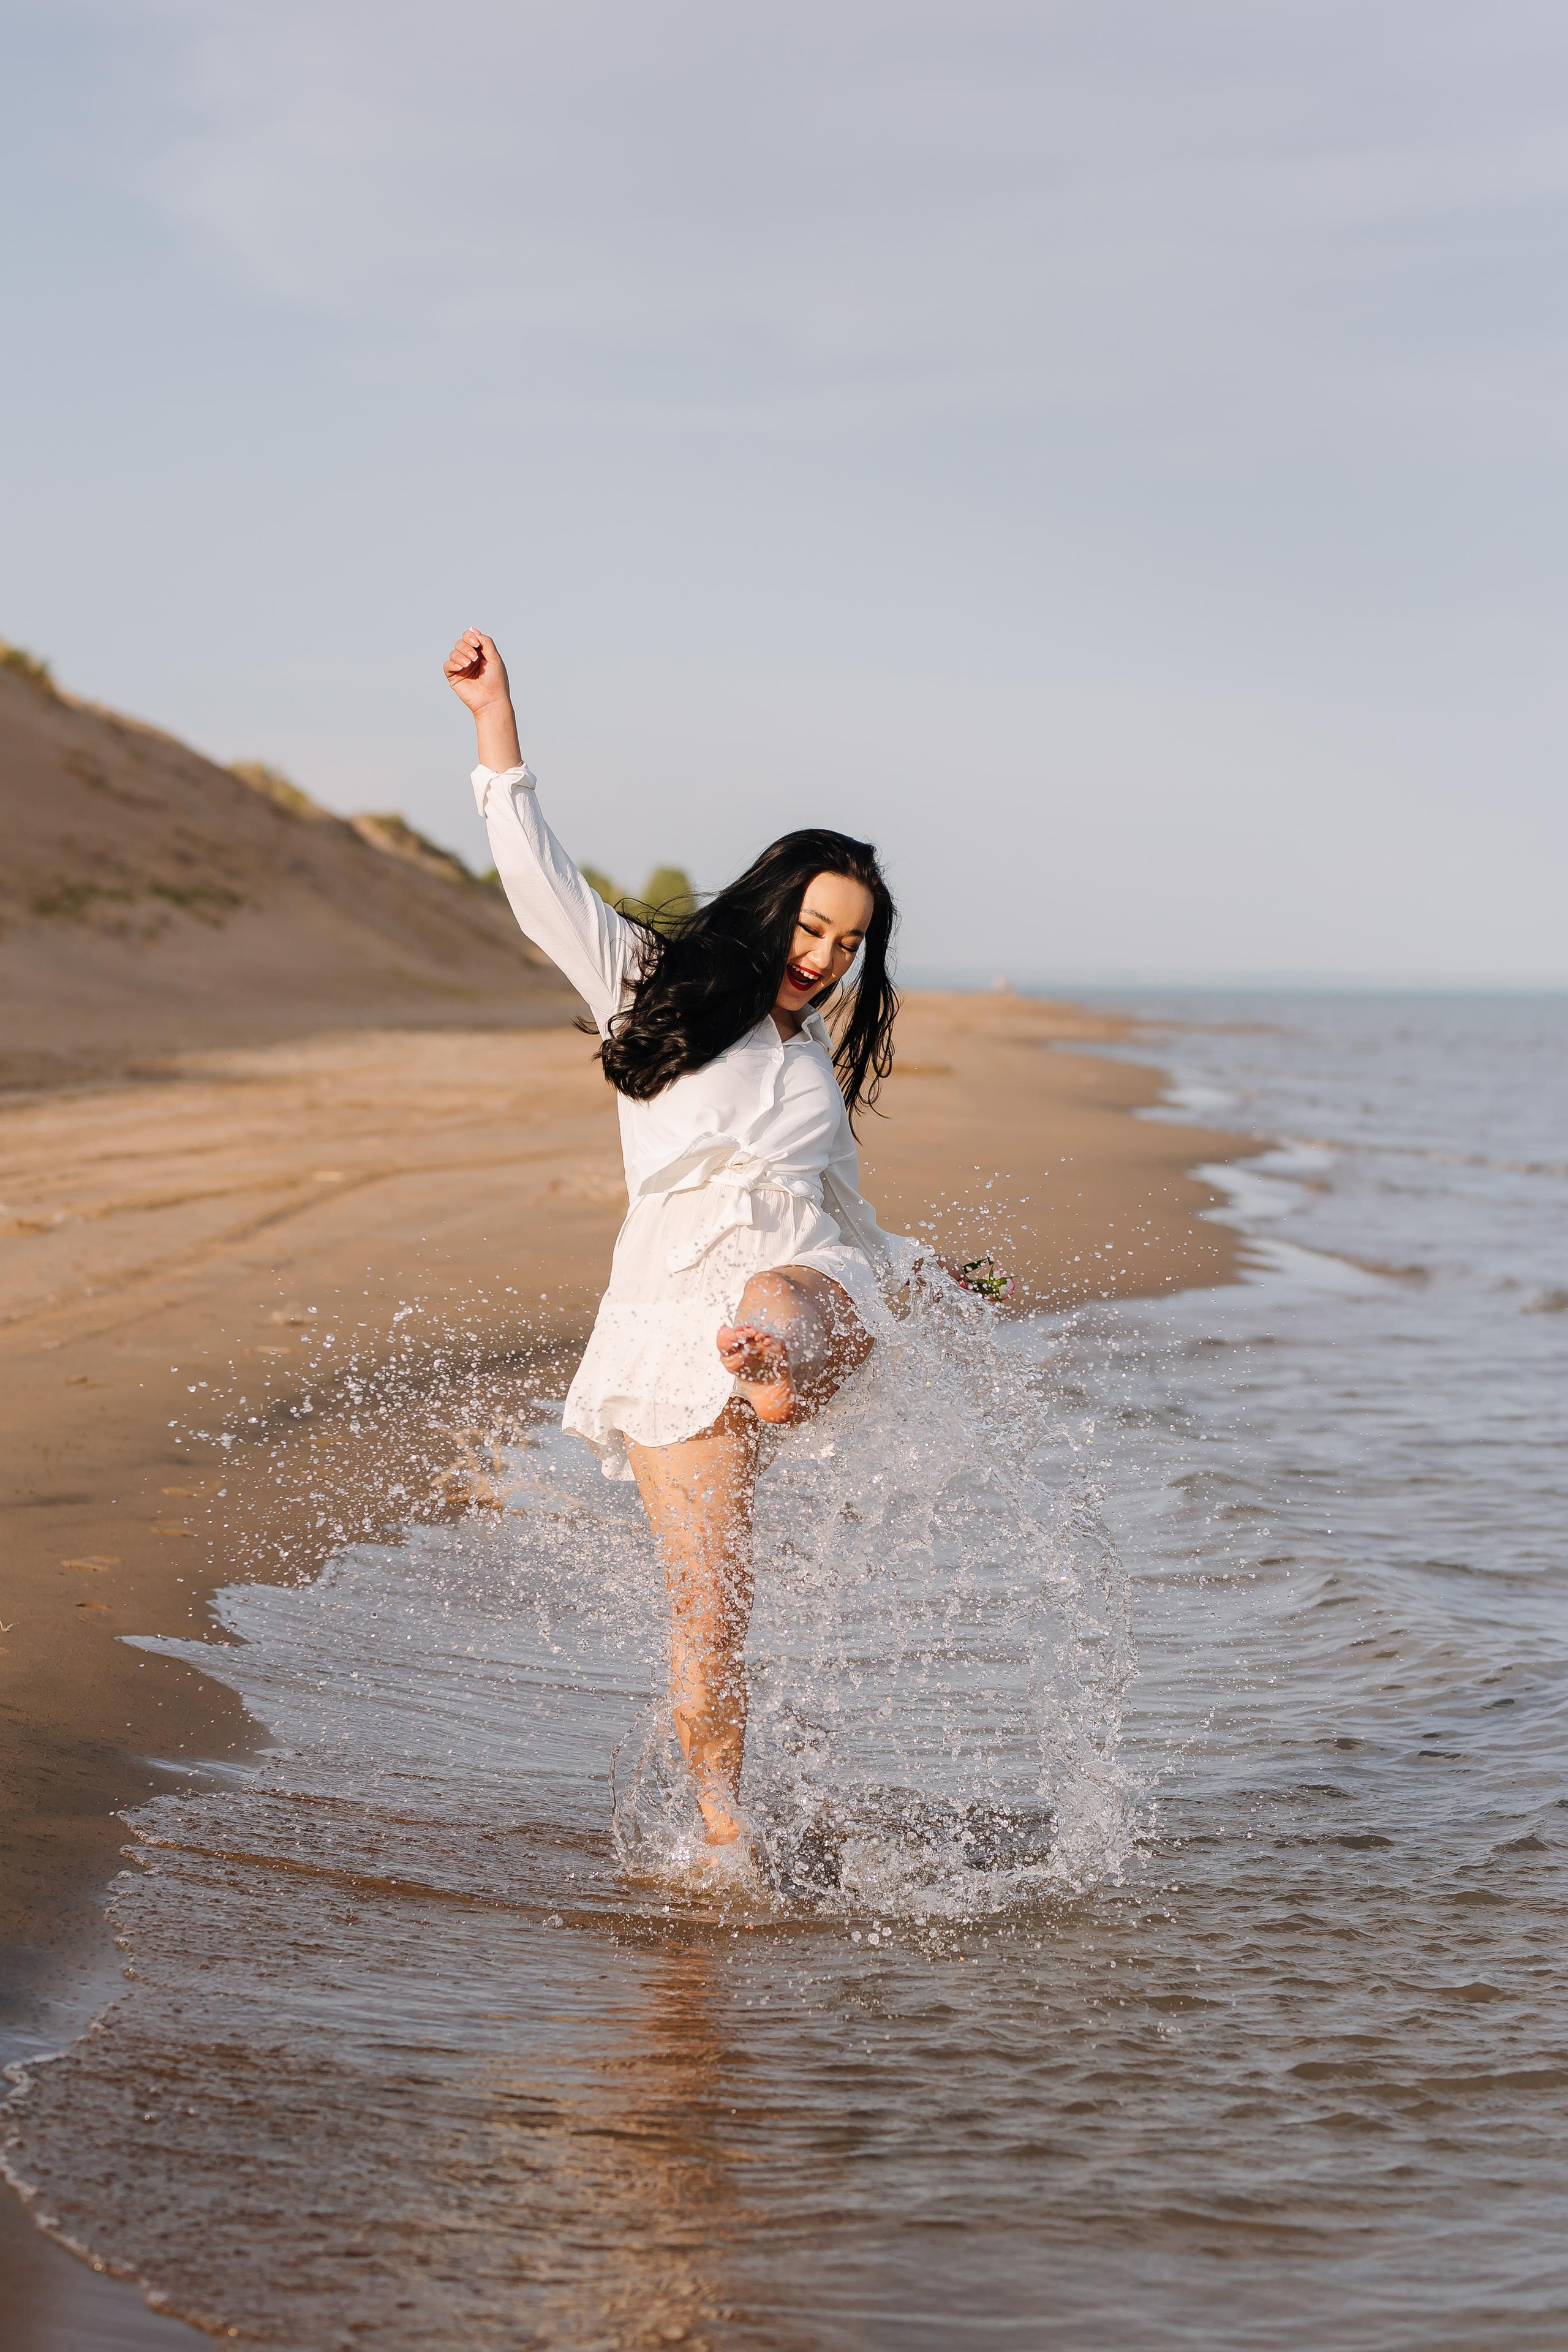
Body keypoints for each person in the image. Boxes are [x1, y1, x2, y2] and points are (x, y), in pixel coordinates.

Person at [445, 628, 932, 1859]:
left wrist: (948, 1279)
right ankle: (724, 1828)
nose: (821, 961)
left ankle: (773, 1362)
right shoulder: (644, 982)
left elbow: (854, 1213)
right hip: (669, 1327)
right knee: (709, 1615)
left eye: (845, 945)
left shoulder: (812, 1056)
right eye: (811, 930)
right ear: (773, 906)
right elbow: (538, 880)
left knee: (780, 1292)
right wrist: (494, 726)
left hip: (800, 1284)